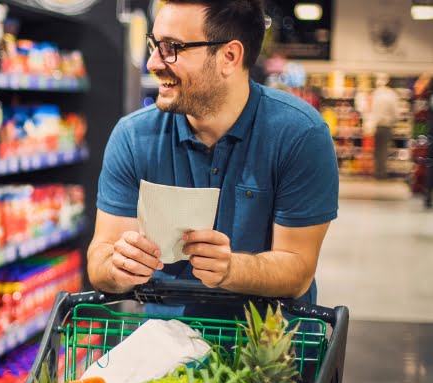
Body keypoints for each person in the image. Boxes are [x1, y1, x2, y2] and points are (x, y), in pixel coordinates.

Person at [87, 0, 339, 317]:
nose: (152, 62)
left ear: (229, 57)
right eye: (154, 45)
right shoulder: (133, 136)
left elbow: (298, 268)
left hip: (273, 353)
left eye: (171, 48)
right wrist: (117, 266)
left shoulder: (299, 134)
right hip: (165, 352)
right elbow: (100, 259)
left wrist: (232, 268)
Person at [368, 73, 400, 180]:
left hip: (377, 126)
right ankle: (382, 172)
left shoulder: (376, 93)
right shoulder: (392, 94)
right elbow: (396, 113)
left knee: (377, 150)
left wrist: (370, 125)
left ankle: (378, 172)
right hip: (387, 126)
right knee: (384, 149)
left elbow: (371, 111)